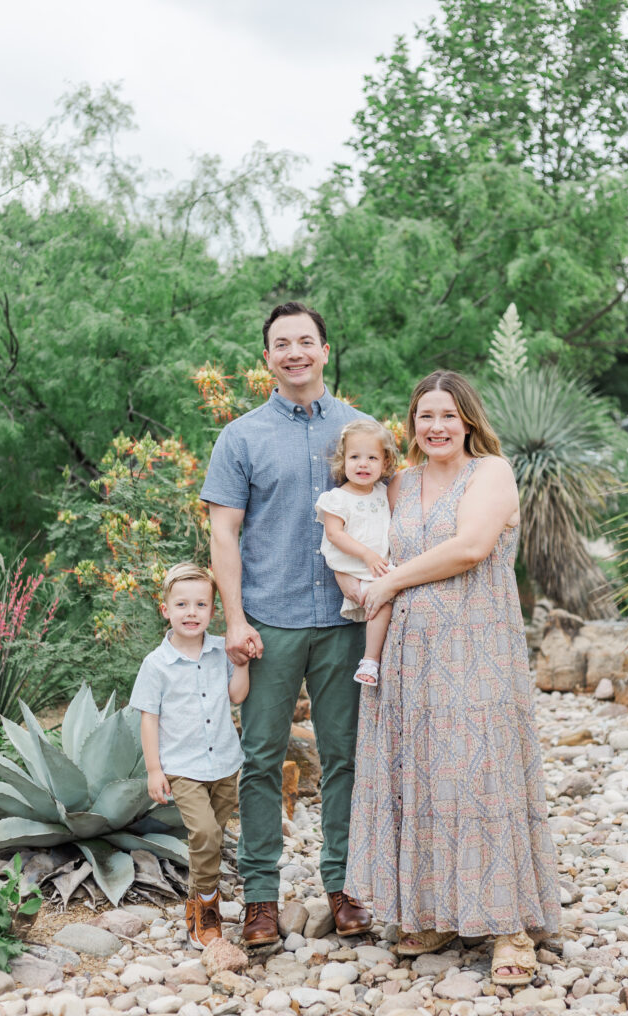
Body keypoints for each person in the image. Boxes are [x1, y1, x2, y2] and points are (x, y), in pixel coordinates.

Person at [344, 370, 561, 985]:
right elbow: (353, 537)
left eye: (447, 415)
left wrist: (390, 581)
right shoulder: (399, 484)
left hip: (477, 650)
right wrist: (360, 582)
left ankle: (509, 926)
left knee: (482, 776)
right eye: (425, 416)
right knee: (423, 777)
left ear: (468, 420)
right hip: (409, 657)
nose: (436, 426)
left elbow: (470, 548)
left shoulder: (491, 472)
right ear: (411, 424)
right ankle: (437, 911)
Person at [200, 302, 373, 946]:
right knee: (261, 760)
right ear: (267, 358)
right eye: (282, 344)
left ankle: (345, 887)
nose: (294, 352)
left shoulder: (359, 430)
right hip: (268, 623)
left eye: (306, 341)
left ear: (325, 350)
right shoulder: (240, 437)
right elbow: (223, 534)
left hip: (346, 620)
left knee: (345, 757)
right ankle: (261, 900)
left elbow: (389, 518)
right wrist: (234, 620)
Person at [130, 562, 250, 950]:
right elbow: (149, 719)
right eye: (182, 604)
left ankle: (195, 903)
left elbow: (237, 695)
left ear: (213, 609)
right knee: (205, 833)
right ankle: (208, 905)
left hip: (225, 763)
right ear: (165, 609)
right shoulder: (156, 664)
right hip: (183, 768)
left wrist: (242, 664)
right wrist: (154, 770)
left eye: (201, 604)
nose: (191, 612)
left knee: (210, 840)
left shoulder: (221, 651)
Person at [315, 418, 399, 686]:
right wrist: (366, 555)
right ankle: (370, 661)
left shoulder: (384, 492)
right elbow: (334, 534)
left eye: (372, 458)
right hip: (357, 569)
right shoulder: (337, 498)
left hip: (379, 568)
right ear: (343, 461)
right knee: (382, 604)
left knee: (392, 601)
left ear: (385, 462)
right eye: (355, 457)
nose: (363, 464)